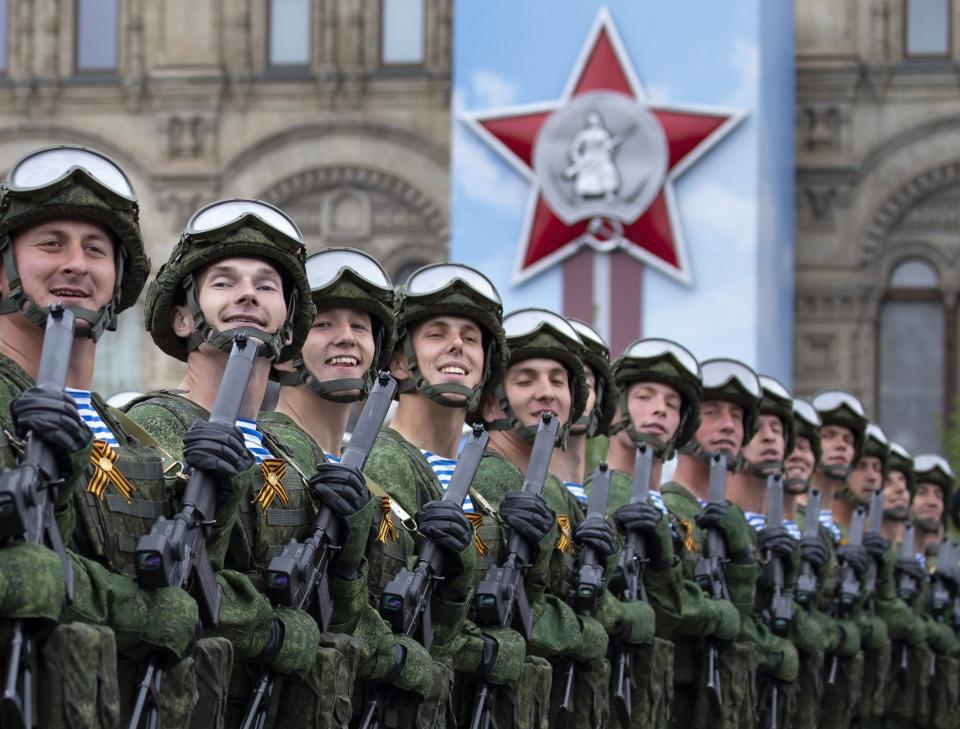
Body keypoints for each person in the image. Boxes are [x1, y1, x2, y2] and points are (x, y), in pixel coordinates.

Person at [124, 198, 384, 728]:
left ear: (287, 329)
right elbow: (156, 591)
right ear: (181, 316)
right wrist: (271, 628)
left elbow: (344, 620)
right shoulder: (148, 427)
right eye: (224, 282)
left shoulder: (297, 456)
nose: (248, 293)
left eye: (267, 286)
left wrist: (351, 553)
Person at [0, 144, 213, 727]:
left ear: (117, 282)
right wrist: (132, 608)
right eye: (51, 244)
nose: (76, 264)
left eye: (96, 249)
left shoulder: (136, 439)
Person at [265, 245, 436, 724]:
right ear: (284, 355)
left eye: (360, 327)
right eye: (323, 325)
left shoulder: (368, 478)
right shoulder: (262, 452)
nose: (347, 339)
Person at [362, 263, 526, 728]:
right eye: (437, 333)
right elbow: (379, 609)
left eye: (470, 338)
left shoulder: (476, 486)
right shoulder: (384, 463)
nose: (457, 345)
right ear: (398, 362)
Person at [596, 337, 740, 729]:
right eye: (644, 396)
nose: (660, 408)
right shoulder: (594, 497)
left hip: (669, 699)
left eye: (673, 404)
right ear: (614, 410)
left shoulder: (678, 517)